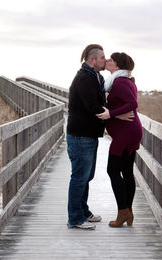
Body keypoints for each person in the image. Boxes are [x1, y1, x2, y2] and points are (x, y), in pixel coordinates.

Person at [96, 52, 142, 227]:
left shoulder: (120, 82)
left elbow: (132, 104)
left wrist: (110, 114)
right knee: (127, 171)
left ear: (117, 65)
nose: (107, 61)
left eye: (110, 60)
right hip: (130, 130)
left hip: (126, 132)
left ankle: (123, 212)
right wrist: (115, 113)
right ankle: (128, 212)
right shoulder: (124, 80)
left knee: (112, 170)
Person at [66, 44, 107, 230]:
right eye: (102, 58)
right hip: (80, 136)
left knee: (86, 176)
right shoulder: (84, 78)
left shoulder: (95, 76)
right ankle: (75, 218)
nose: (105, 61)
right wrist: (112, 114)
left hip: (88, 135)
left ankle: (83, 211)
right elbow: (93, 106)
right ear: (92, 60)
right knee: (80, 177)